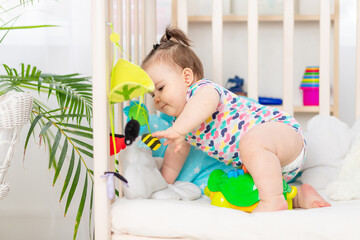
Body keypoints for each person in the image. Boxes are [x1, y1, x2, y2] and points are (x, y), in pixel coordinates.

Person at [141, 26, 331, 212]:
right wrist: (164, 184)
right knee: (246, 188)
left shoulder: (202, 91)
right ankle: (297, 195)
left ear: (187, 77)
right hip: (273, 165)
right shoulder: (183, 126)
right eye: (152, 95)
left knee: (251, 143)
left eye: (161, 88)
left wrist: (178, 130)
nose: (156, 99)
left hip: (283, 134)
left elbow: (205, 103)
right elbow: (174, 156)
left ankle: (273, 201)